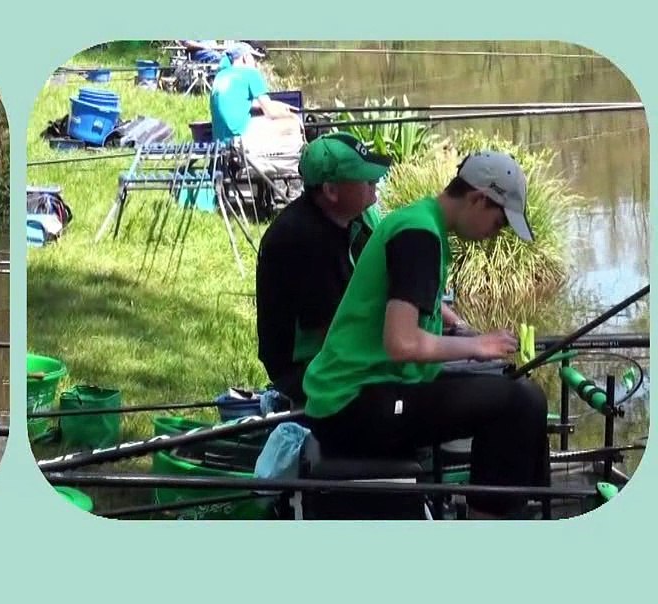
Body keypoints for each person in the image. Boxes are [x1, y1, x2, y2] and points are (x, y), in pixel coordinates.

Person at [301, 150, 549, 519]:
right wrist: (476, 346)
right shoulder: (419, 235)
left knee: (525, 393)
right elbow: (401, 343)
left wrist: (461, 330)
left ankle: (526, 507)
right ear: (479, 198)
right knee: (516, 405)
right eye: (498, 223)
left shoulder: (421, 222)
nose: (493, 235)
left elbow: (413, 308)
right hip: (353, 404)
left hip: (369, 390)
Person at [255, 132, 392, 408]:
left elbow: (397, 274)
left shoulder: (358, 216)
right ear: (331, 191)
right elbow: (334, 332)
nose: (375, 183)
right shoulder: (302, 239)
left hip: (343, 352)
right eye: (366, 179)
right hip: (306, 370)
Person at [209, 42, 298, 143]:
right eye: (254, 58)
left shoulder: (220, 76)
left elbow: (237, 102)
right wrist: (293, 116)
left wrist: (277, 105)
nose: (256, 63)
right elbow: (271, 113)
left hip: (219, 140)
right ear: (245, 58)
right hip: (238, 139)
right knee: (290, 123)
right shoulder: (250, 73)